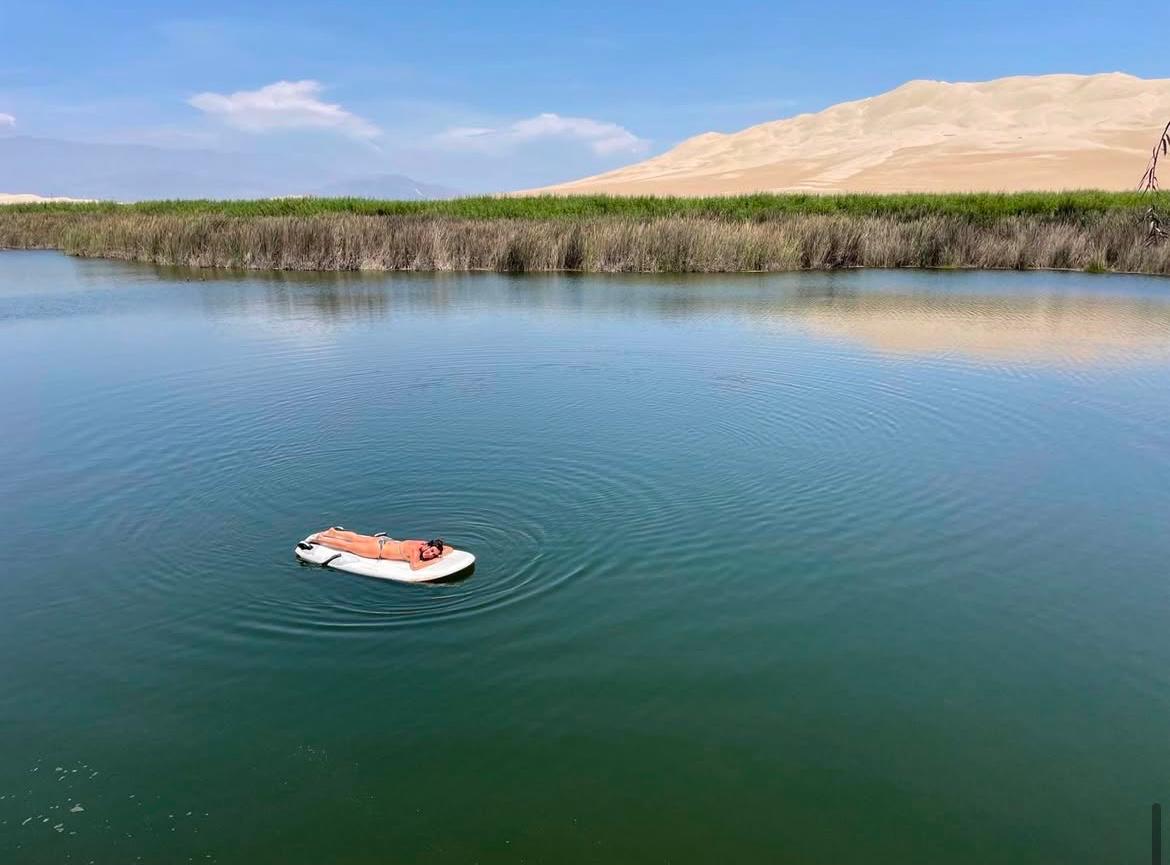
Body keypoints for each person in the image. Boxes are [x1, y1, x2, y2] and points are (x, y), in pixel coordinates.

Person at [310, 527, 448, 570]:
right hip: (376, 550)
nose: (430, 554)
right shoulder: (416, 552)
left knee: (355, 537)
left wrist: (438, 552)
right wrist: (435, 560)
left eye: (433, 554)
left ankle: (333, 532)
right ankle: (320, 539)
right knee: (347, 546)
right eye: (431, 551)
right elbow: (415, 566)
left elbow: (448, 549)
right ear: (428, 546)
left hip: (381, 541)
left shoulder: (422, 543)